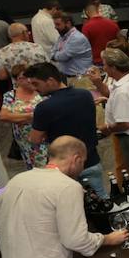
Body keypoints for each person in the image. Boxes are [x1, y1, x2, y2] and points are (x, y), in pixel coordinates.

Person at [25, 62, 104, 196]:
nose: (34, 88)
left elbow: (35, 139)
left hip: (64, 170)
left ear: (50, 81)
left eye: (36, 84)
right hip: (91, 161)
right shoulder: (85, 95)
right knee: (100, 205)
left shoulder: (44, 108)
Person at [92, 48, 129, 175]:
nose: (103, 68)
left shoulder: (123, 91)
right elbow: (114, 93)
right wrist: (108, 96)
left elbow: (125, 123)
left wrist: (107, 128)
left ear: (113, 67)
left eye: (105, 65)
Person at [0, 71, 47, 170]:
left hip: (44, 136)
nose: (29, 80)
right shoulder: (11, 95)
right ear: (17, 80)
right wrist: (30, 116)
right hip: (24, 139)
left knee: (44, 164)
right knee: (32, 165)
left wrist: (18, 117)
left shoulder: (41, 91)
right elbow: (4, 116)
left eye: (30, 77)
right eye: (23, 78)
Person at [50, 12, 93, 79]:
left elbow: (63, 57)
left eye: (58, 24)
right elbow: (52, 51)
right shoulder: (62, 37)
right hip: (68, 76)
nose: (55, 27)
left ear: (68, 24)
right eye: (55, 24)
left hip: (81, 78)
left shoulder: (77, 38)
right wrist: (55, 54)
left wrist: (54, 55)